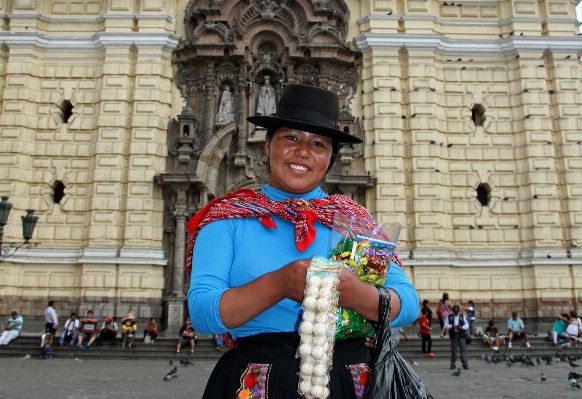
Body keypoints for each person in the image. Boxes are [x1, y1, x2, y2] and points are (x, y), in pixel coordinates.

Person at [187, 84, 419, 398]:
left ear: (330, 158)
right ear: (267, 145)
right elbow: (202, 312)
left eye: (319, 144)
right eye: (291, 138)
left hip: (348, 384)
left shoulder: (354, 221)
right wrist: (280, 285)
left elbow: (407, 303)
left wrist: (355, 293)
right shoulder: (227, 219)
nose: (303, 151)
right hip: (257, 382)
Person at [444, 304, 469, 370]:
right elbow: (446, 325)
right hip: (453, 334)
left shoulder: (462, 316)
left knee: (463, 350)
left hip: (461, 334)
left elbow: (467, 325)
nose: (456, 313)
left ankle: (465, 363)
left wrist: (462, 327)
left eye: (457, 311)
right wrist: (452, 326)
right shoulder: (449, 317)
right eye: (455, 311)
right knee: (453, 351)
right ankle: (453, 364)